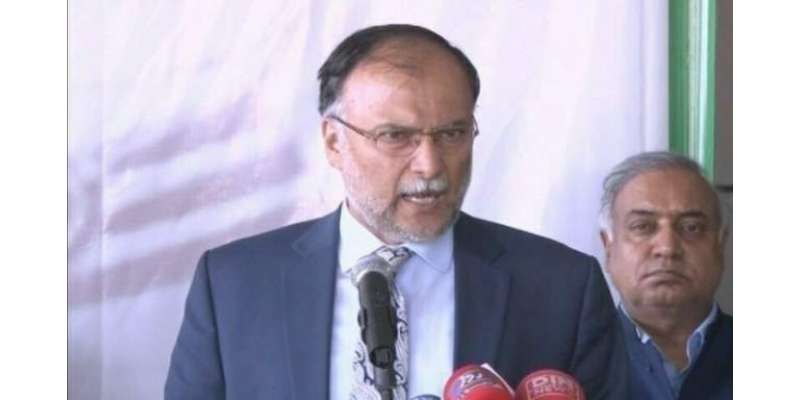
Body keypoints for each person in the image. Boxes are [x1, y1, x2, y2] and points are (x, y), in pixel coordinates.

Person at [166, 24, 627, 399]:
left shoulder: (562, 288)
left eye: (452, 134)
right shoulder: (233, 285)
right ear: (334, 142)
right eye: (395, 136)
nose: (430, 165)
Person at [599, 151, 732, 399]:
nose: (667, 248)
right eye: (642, 227)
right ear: (608, 249)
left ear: (720, 245)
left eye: (691, 227)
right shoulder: (573, 361)